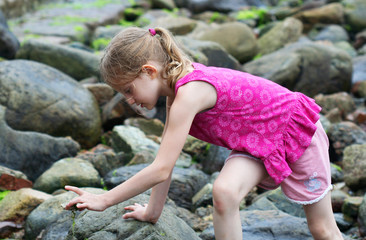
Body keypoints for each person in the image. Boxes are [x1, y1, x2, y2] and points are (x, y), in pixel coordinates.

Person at [65, 27, 343, 240]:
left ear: (149, 71)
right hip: (258, 141)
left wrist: (104, 199)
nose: (128, 100)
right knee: (224, 191)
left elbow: (160, 169)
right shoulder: (175, 94)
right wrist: (152, 213)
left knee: (321, 229)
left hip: (294, 133)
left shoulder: (189, 93)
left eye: (128, 90)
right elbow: (167, 161)